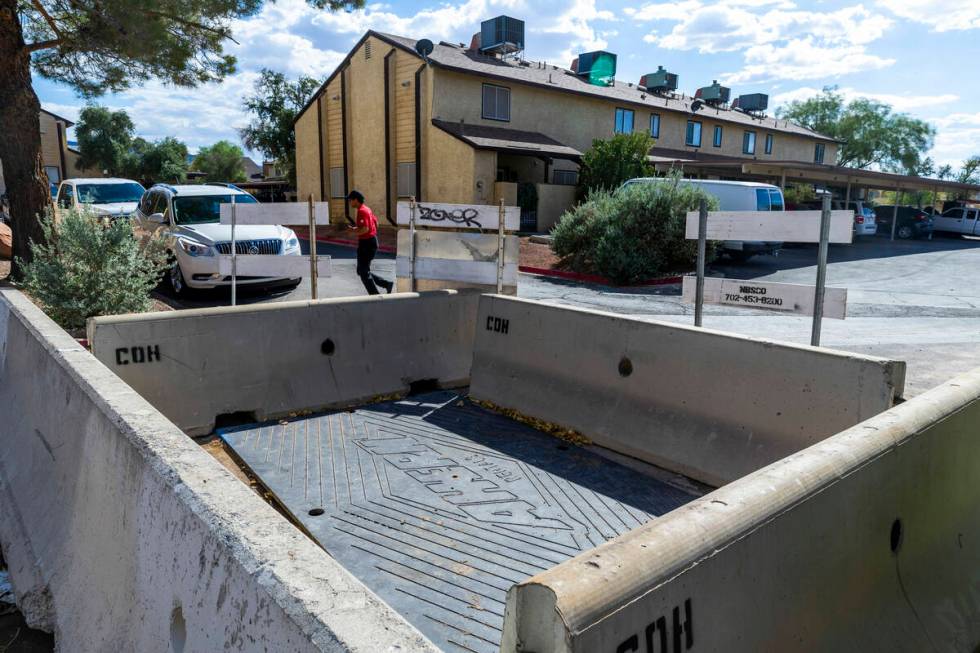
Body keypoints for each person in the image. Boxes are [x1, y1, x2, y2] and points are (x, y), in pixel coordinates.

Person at [347, 190, 393, 295]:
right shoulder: (367, 209)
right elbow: (376, 223)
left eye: (350, 200)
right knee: (361, 271)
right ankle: (386, 284)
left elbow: (365, 229)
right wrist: (370, 233)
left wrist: (353, 231)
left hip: (367, 244)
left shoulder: (362, 211)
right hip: (369, 242)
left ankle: (375, 295)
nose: (349, 202)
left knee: (363, 272)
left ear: (356, 200)